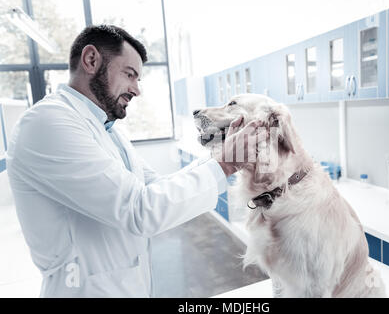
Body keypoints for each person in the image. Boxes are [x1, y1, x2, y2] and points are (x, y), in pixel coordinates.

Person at [6, 25, 257, 297]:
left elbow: (156, 186)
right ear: (91, 60)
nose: (136, 90)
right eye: (130, 75)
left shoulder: (107, 129)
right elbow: (140, 210)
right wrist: (226, 164)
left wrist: (221, 157)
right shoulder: (47, 123)